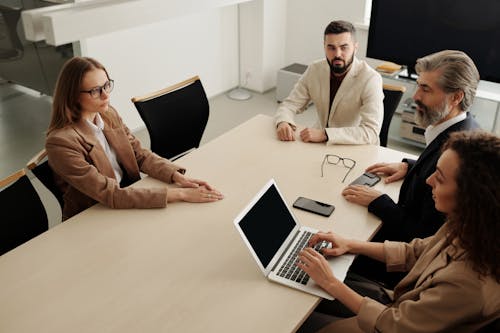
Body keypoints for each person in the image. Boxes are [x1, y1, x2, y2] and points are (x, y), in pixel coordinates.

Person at [297, 131, 500, 333]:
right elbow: (416, 251)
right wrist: (351, 244)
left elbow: (395, 325)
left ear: (472, 196)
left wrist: (331, 283)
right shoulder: (473, 225)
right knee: (308, 291)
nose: (428, 180)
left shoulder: (468, 283)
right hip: (403, 308)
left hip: (394, 324)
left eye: (439, 178)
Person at [342, 50, 481, 287]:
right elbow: (435, 167)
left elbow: (422, 237)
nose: (415, 96)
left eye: (427, 89)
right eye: (418, 86)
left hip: (406, 267)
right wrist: (411, 167)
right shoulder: (464, 130)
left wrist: (379, 202)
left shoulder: (457, 155)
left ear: (456, 97)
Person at [46, 57, 223, 220]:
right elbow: (110, 194)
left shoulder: (108, 114)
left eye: (107, 85)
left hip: (129, 196)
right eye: (95, 91)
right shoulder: (61, 143)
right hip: (95, 215)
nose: (106, 95)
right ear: (73, 95)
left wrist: (176, 176)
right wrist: (180, 195)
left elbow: (139, 154)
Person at [275, 20, 383, 145]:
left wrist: (325, 134)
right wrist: (283, 121)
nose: (337, 54)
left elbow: (371, 132)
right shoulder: (315, 69)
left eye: (344, 47)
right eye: (331, 47)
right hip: (319, 143)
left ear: (355, 48)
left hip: (355, 145)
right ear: (324, 46)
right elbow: (290, 104)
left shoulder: (370, 78)